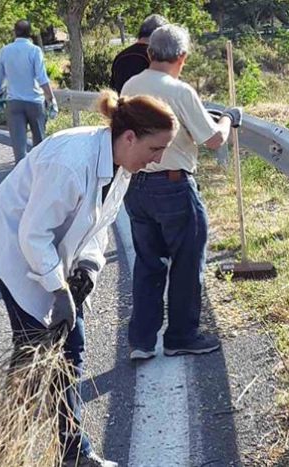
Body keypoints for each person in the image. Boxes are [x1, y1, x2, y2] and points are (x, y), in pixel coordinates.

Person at [0, 90, 178, 467]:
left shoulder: (121, 166)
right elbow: (32, 234)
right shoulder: (71, 162)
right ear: (130, 137)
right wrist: (58, 290)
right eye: (155, 149)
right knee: (44, 349)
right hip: (15, 253)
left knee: (62, 350)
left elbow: (97, 227)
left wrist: (87, 268)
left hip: (51, 256)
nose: (157, 160)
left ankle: (54, 447)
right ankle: (33, 448)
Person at [120, 24, 243, 361]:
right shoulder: (180, 91)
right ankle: (181, 336)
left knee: (148, 263)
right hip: (173, 186)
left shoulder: (131, 85)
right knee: (187, 261)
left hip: (137, 186)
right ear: (183, 57)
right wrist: (228, 120)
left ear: (149, 53)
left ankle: (141, 341)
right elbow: (213, 140)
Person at [0, 19, 58, 163]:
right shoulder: (34, 50)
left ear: (14, 32)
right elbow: (42, 78)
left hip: (14, 102)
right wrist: (51, 99)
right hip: (35, 102)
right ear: (30, 34)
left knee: (19, 150)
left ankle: (22, 180)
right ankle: (39, 177)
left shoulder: (5, 51)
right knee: (39, 145)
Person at [109, 14, 168, 94]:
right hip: (146, 105)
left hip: (122, 104)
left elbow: (113, 90)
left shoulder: (120, 56)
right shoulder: (155, 58)